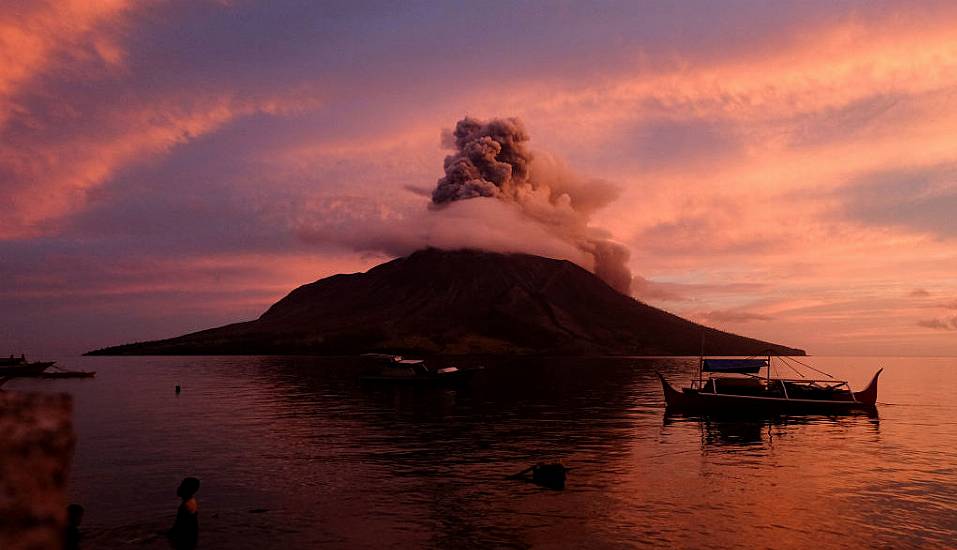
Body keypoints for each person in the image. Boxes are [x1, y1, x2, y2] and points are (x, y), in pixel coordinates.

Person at [168, 477, 200, 549]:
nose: (178, 488)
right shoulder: (192, 502)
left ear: (187, 490)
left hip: (185, 542)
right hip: (191, 539)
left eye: (182, 486)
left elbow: (178, 527)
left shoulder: (185, 507)